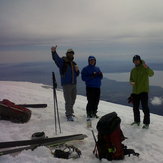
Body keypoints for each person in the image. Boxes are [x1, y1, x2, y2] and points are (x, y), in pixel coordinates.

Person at [51, 46, 80, 121]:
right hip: (66, 84)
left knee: (73, 99)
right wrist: (54, 52)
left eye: (72, 54)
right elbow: (56, 59)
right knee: (68, 100)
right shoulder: (63, 62)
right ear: (67, 54)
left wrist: (77, 71)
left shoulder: (73, 63)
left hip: (74, 84)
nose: (71, 55)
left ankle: (70, 112)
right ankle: (68, 115)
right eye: (70, 53)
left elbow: (76, 74)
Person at [130, 55, 154, 129]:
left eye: (137, 60)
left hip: (143, 91)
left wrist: (147, 67)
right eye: (134, 60)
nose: (136, 61)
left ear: (140, 60)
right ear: (133, 61)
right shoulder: (133, 70)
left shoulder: (144, 67)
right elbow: (130, 79)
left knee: (145, 108)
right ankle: (137, 121)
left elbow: (151, 74)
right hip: (135, 91)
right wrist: (131, 82)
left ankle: (146, 123)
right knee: (135, 108)